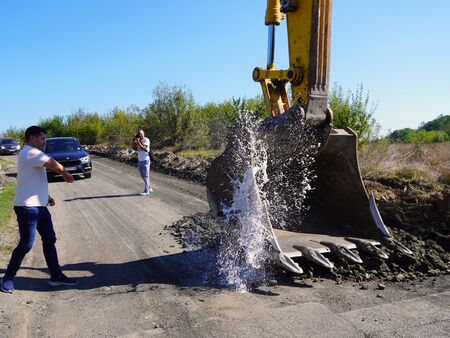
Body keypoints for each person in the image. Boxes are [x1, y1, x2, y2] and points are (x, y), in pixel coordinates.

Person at [0, 126, 78, 293]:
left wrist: (46, 197)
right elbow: (53, 164)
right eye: (42, 139)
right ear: (32, 138)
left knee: (50, 239)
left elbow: (32, 180)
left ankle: (56, 276)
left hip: (39, 207)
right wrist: (65, 173)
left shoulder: (31, 154)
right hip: (27, 208)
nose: (44, 142)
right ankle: (7, 278)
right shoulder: (30, 152)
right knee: (26, 244)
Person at [132, 128, 153, 196]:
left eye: (141, 134)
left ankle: (146, 191)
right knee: (143, 176)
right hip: (140, 160)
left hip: (146, 160)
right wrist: (134, 140)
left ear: (143, 134)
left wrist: (138, 141)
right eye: (138, 134)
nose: (140, 135)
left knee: (146, 176)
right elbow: (133, 148)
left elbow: (143, 148)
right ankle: (149, 187)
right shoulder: (138, 140)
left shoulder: (146, 140)